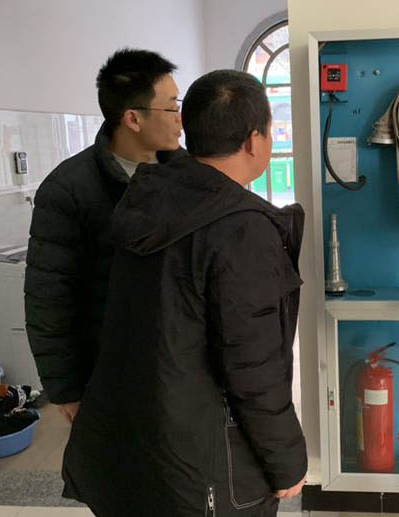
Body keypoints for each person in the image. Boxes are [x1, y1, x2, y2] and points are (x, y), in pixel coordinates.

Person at [61, 70, 307, 516]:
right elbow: (253, 368)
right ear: (254, 141)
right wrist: (287, 461)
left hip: (135, 447)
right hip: (199, 466)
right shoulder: (242, 229)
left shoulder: (147, 198)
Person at [24, 49, 186, 422]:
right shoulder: (68, 190)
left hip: (179, 366)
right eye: (171, 107)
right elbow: (49, 299)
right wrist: (66, 388)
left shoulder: (186, 176)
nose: (180, 117)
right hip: (109, 370)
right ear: (133, 118)